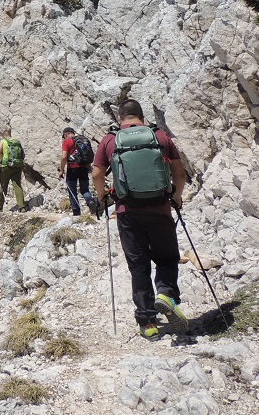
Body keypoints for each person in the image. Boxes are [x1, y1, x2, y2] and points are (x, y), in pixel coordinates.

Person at [92, 99, 188, 341]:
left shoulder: (110, 140)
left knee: (139, 266)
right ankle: (166, 293)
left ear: (120, 118)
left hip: (128, 212)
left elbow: (96, 174)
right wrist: (176, 196)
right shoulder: (159, 136)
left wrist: (104, 196)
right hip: (160, 209)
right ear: (141, 117)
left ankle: (147, 323)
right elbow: (179, 172)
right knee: (166, 258)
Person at [60, 127, 97, 216]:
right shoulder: (83, 140)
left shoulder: (66, 141)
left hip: (72, 168)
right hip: (84, 167)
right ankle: (90, 201)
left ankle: (76, 212)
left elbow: (64, 156)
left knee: (72, 190)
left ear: (65, 134)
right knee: (85, 189)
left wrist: (61, 170)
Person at [0, 133, 26, 212]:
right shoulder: (17, 142)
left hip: (5, 166)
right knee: (17, 185)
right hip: (17, 166)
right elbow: (23, 154)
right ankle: (22, 207)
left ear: (4, 135)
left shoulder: (3, 141)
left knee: (3, 185)